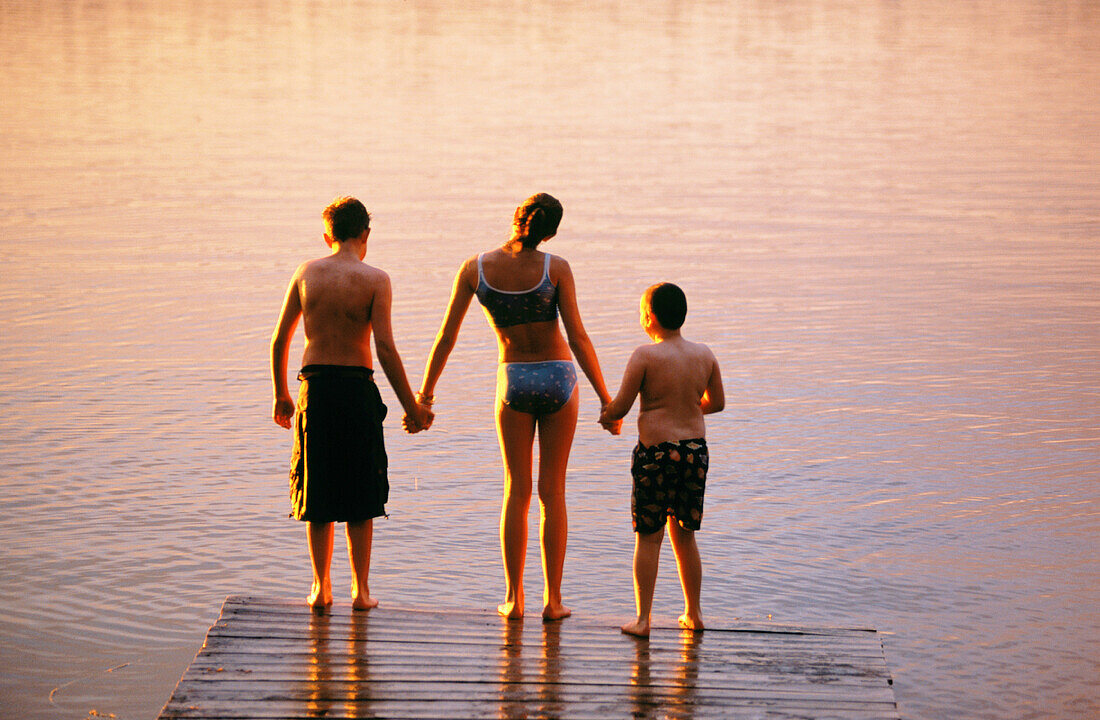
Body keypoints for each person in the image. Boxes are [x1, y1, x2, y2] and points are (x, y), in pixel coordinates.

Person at [416, 193, 613, 620]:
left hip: (514, 379)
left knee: (516, 492)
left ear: (515, 218)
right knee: (552, 492)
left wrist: (425, 396)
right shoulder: (555, 268)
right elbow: (578, 336)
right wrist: (606, 399)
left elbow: (446, 336)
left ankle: (514, 599)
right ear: (551, 232)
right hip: (559, 378)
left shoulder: (475, 269)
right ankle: (554, 601)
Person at [270, 196, 433, 610]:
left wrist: (281, 394)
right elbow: (386, 348)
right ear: (366, 235)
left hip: (317, 389)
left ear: (327, 235)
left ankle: (320, 587)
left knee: (317, 487)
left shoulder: (307, 272)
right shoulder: (376, 279)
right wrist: (412, 408)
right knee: (362, 490)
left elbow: (279, 340)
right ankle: (360, 591)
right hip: (358, 388)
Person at [598, 282, 725, 637]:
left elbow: (621, 406)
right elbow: (717, 403)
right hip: (694, 453)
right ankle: (694, 613)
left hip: (655, 455)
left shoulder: (644, 356)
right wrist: (687, 405)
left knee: (649, 537)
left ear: (650, 318)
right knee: (684, 535)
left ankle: (642, 620)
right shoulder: (704, 354)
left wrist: (608, 414)